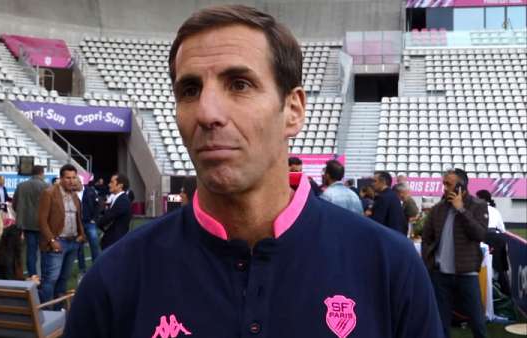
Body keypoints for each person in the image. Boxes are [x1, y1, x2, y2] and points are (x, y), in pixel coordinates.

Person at [65, 5, 443, 338]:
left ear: (293, 110)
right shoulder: (115, 277)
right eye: (190, 90)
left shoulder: (389, 266)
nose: (208, 113)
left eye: (240, 84)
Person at [421, 168, 488, 338]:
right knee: (441, 322)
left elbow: (479, 234)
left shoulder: (478, 205)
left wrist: (461, 210)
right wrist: (430, 261)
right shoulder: (438, 208)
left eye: (448, 184)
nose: (444, 187)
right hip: (440, 275)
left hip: (467, 274)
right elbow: (426, 237)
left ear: (461, 186)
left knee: (477, 321)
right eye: (443, 183)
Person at [38, 164, 85, 304]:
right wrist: (52, 240)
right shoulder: (49, 193)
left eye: (73, 178)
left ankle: (59, 310)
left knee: (64, 278)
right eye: (68, 178)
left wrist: (81, 234)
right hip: (57, 242)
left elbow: (78, 217)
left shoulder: (75, 195)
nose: (71, 181)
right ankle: (44, 312)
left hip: (73, 242)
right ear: (61, 178)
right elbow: (41, 220)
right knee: (50, 279)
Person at [13, 165, 48, 277]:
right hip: (42, 224)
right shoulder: (46, 186)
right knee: (44, 251)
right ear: (41, 173)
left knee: (31, 251)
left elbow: (15, 204)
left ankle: (32, 275)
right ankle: (44, 274)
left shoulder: (21, 186)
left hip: (27, 223)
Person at [476, 189, 510, 296]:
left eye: (477, 198)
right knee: (499, 268)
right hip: (497, 238)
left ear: (481, 199)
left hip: (485, 237)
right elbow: (503, 230)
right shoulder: (495, 211)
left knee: (483, 266)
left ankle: (485, 293)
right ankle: (506, 294)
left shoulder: (476, 209)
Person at [97, 173, 132, 250]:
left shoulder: (122, 200)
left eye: (112, 182)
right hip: (113, 240)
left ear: (120, 185)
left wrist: (97, 222)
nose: (109, 184)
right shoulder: (118, 199)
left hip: (115, 242)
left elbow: (107, 218)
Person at [76, 178, 101, 275]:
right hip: (78, 223)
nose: (73, 183)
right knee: (79, 248)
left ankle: (96, 267)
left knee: (94, 244)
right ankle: (82, 269)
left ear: (80, 182)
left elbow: (97, 205)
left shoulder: (90, 191)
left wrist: (94, 218)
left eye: (76, 181)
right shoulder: (72, 193)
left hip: (89, 222)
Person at [370, 171, 407, 235]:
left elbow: (377, 222)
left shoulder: (383, 197)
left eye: (374, 181)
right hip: (396, 236)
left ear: (383, 182)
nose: (372, 184)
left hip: (388, 237)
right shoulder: (392, 195)